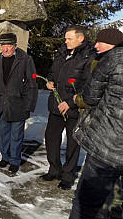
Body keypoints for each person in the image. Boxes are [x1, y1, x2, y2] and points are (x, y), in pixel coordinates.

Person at [69, 29, 123, 218]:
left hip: (107, 145)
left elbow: (90, 97)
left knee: (86, 203)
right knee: (110, 202)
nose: (96, 45)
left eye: (100, 42)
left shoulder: (113, 59)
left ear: (112, 44)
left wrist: (77, 99)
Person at [40, 26, 95, 190]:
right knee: (51, 137)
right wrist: (49, 81)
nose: (65, 41)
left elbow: (88, 85)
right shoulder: (61, 53)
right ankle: (54, 169)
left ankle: (68, 176)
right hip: (56, 104)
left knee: (72, 143)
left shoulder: (89, 57)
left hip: (73, 107)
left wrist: (70, 103)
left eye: (69, 38)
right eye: (65, 38)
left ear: (81, 39)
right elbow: (52, 72)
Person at [0, 33, 38, 173]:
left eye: (9, 46)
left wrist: (28, 105)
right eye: (3, 46)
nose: (5, 49)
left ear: (15, 46)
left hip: (18, 104)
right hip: (2, 103)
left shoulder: (25, 60)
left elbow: (31, 83)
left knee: (16, 136)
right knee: (4, 133)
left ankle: (15, 160)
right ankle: (5, 157)